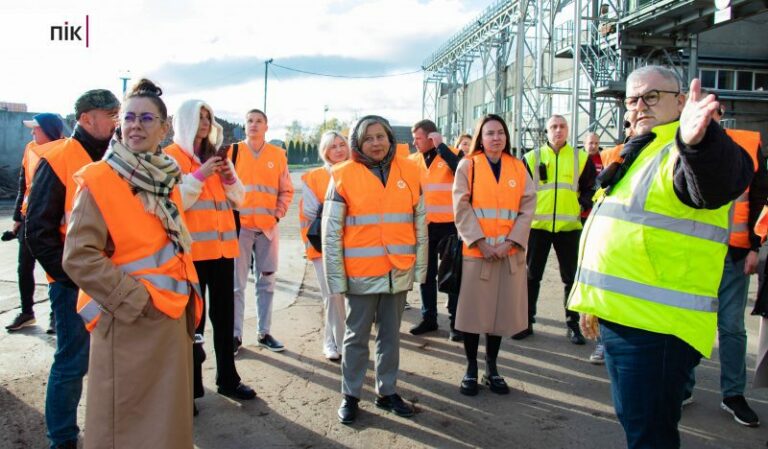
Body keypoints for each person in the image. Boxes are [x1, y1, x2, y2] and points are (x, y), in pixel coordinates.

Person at [569, 65, 753, 449]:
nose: (640, 106)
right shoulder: (641, 150)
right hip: (625, 320)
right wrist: (595, 302)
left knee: (649, 436)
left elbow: (719, 178)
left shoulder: (682, 149)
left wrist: (697, 141)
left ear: (682, 101)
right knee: (639, 426)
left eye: (652, 96)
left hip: (657, 330)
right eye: (633, 99)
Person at [62, 78, 201, 449]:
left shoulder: (165, 176)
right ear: (120, 124)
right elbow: (79, 257)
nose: (136, 125)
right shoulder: (99, 179)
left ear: (164, 126)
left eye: (146, 118)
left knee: (165, 426)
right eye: (129, 118)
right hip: (128, 322)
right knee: (124, 428)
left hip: (169, 317)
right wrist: (135, 300)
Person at [25, 88, 120, 449]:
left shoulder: (116, 157)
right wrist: (69, 275)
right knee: (72, 361)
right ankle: (62, 438)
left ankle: (105, 431)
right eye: (108, 113)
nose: (115, 120)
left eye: (117, 113)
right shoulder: (60, 157)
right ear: (85, 119)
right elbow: (38, 227)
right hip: (73, 284)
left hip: (112, 279)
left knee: (109, 361)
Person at [323, 115, 427, 425]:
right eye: (368, 138)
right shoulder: (342, 175)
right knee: (355, 338)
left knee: (391, 336)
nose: (376, 143)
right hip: (361, 274)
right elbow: (331, 234)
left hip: (398, 271)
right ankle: (351, 395)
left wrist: (419, 271)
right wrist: (336, 280)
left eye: (381, 136)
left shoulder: (410, 170)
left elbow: (420, 224)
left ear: (390, 139)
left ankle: (387, 392)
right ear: (358, 143)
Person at [165, 99, 255, 411]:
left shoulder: (215, 156)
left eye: (209, 117)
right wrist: (201, 174)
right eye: (199, 117)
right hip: (191, 255)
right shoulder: (170, 158)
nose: (205, 122)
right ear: (186, 121)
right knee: (193, 324)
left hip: (222, 251)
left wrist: (229, 177)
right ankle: (189, 388)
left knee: (224, 318)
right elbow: (174, 203)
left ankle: (228, 379)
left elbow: (239, 200)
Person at [683, 98, 766, 426]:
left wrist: (755, 246)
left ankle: (733, 394)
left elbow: (760, 195)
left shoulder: (747, 144)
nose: (708, 121)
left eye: (712, 114)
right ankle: (684, 387)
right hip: (695, 254)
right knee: (690, 322)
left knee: (731, 327)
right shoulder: (682, 144)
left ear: (721, 116)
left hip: (734, 253)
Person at [452, 114, 536, 395]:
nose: (496, 137)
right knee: (475, 315)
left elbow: (528, 207)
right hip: (478, 254)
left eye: (500, 132)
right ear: (481, 137)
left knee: (499, 315)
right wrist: (480, 242)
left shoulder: (517, 167)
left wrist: (510, 242)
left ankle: (492, 368)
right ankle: (470, 369)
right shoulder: (469, 165)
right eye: (490, 133)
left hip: (508, 254)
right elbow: (461, 206)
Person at [518, 114, 596, 343]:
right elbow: (520, 192)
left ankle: (573, 325)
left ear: (568, 130)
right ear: (547, 131)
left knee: (571, 278)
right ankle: (525, 321)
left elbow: (591, 186)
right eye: (554, 126)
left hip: (569, 227)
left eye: (562, 126)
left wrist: (582, 204)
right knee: (532, 277)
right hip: (537, 227)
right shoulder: (532, 157)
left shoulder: (580, 157)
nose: (558, 130)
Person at [230, 109, 294, 354]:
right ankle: (235, 336)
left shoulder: (277, 155)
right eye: (250, 121)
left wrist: (277, 214)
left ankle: (264, 332)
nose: (254, 125)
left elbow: (286, 190)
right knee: (237, 286)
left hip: (267, 228)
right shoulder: (233, 152)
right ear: (244, 126)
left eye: (259, 121)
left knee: (266, 282)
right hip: (241, 228)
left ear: (266, 127)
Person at [6, 113, 64, 332]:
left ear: (48, 130)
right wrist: (16, 219)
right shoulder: (30, 149)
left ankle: (55, 315)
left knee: (53, 270)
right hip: (29, 218)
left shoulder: (64, 151)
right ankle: (26, 312)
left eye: (36, 128)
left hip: (53, 220)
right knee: (24, 268)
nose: (32, 132)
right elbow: (24, 184)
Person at [409, 119, 463, 340]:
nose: (414, 143)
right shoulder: (412, 161)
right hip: (424, 227)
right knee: (426, 275)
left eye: (418, 138)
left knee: (451, 276)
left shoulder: (453, 154)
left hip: (450, 226)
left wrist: (441, 146)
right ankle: (429, 318)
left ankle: (456, 323)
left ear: (432, 138)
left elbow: (463, 171)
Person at [299, 131, 349, 360]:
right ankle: (335, 343)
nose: (339, 149)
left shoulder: (356, 172)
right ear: (325, 152)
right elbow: (310, 210)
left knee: (346, 297)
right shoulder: (314, 176)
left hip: (352, 244)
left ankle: (342, 341)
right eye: (333, 147)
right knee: (332, 295)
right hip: (322, 246)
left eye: (342, 144)